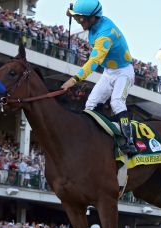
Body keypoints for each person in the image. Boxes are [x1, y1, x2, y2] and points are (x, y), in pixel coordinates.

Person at [61, 0, 137, 154]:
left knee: (116, 102)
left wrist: (73, 80)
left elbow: (93, 62)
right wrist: (72, 12)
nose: (79, 22)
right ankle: (93, 136)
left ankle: (128, 141)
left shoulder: (105, 35)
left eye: (81, 19)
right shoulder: (95, 20)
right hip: (109, 72)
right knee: (90, 104)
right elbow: (78, 14)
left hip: (124, 72)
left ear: (92, 18)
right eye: (78, 19)